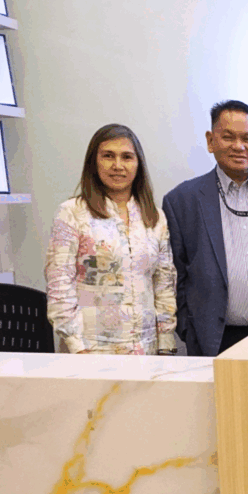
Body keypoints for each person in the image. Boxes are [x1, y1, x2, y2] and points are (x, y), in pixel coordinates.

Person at [162, 100, 248, 356]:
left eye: (247, 138)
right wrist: (190, 330)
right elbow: (173, 278)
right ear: (211, 141)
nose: (239, 146)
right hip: (215, 341)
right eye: (228, 137)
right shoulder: (181, 201)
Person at [45, 124, 176, 354]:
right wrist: (76, 346)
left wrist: (165, 341)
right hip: (89, 350)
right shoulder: (72, 213)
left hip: (145, 350)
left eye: (127, 157)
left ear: (138, 164)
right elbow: (59, 285)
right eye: (108, 156)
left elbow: (163, 284)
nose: (118, 166)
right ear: (94, 162)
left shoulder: (154, 216)